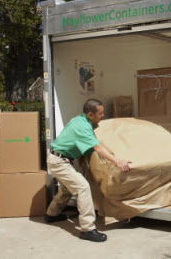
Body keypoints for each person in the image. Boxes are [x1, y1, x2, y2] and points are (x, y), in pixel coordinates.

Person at [44, 99, 131, 242]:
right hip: (59, 162)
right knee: (83, 187)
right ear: (90, 114)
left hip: (58, 159)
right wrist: (118, 161)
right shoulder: (83, 127)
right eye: (100, 113)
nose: (103, 115)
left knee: (67, 189)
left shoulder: (80, 120)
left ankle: (51, 215)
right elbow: (97, 147)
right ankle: (88, 229)